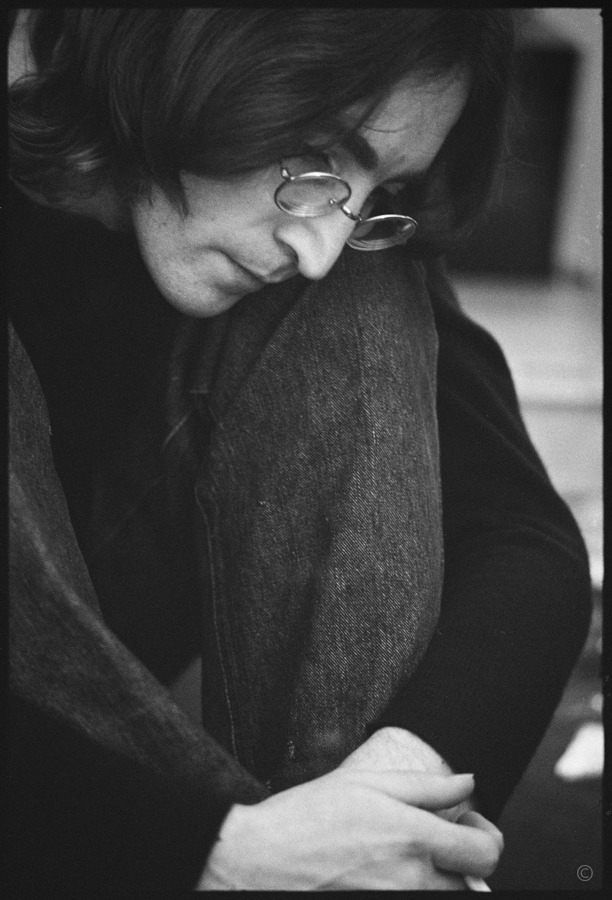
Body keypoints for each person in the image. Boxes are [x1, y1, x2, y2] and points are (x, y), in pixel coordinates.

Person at [7, 8, 592, 892]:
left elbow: (526, 542)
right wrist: (217, 853)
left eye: (381, 186)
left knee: (362, 287)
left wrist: (387, 799)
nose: (319, 247)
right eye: (317, 157)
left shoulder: (330, 246)